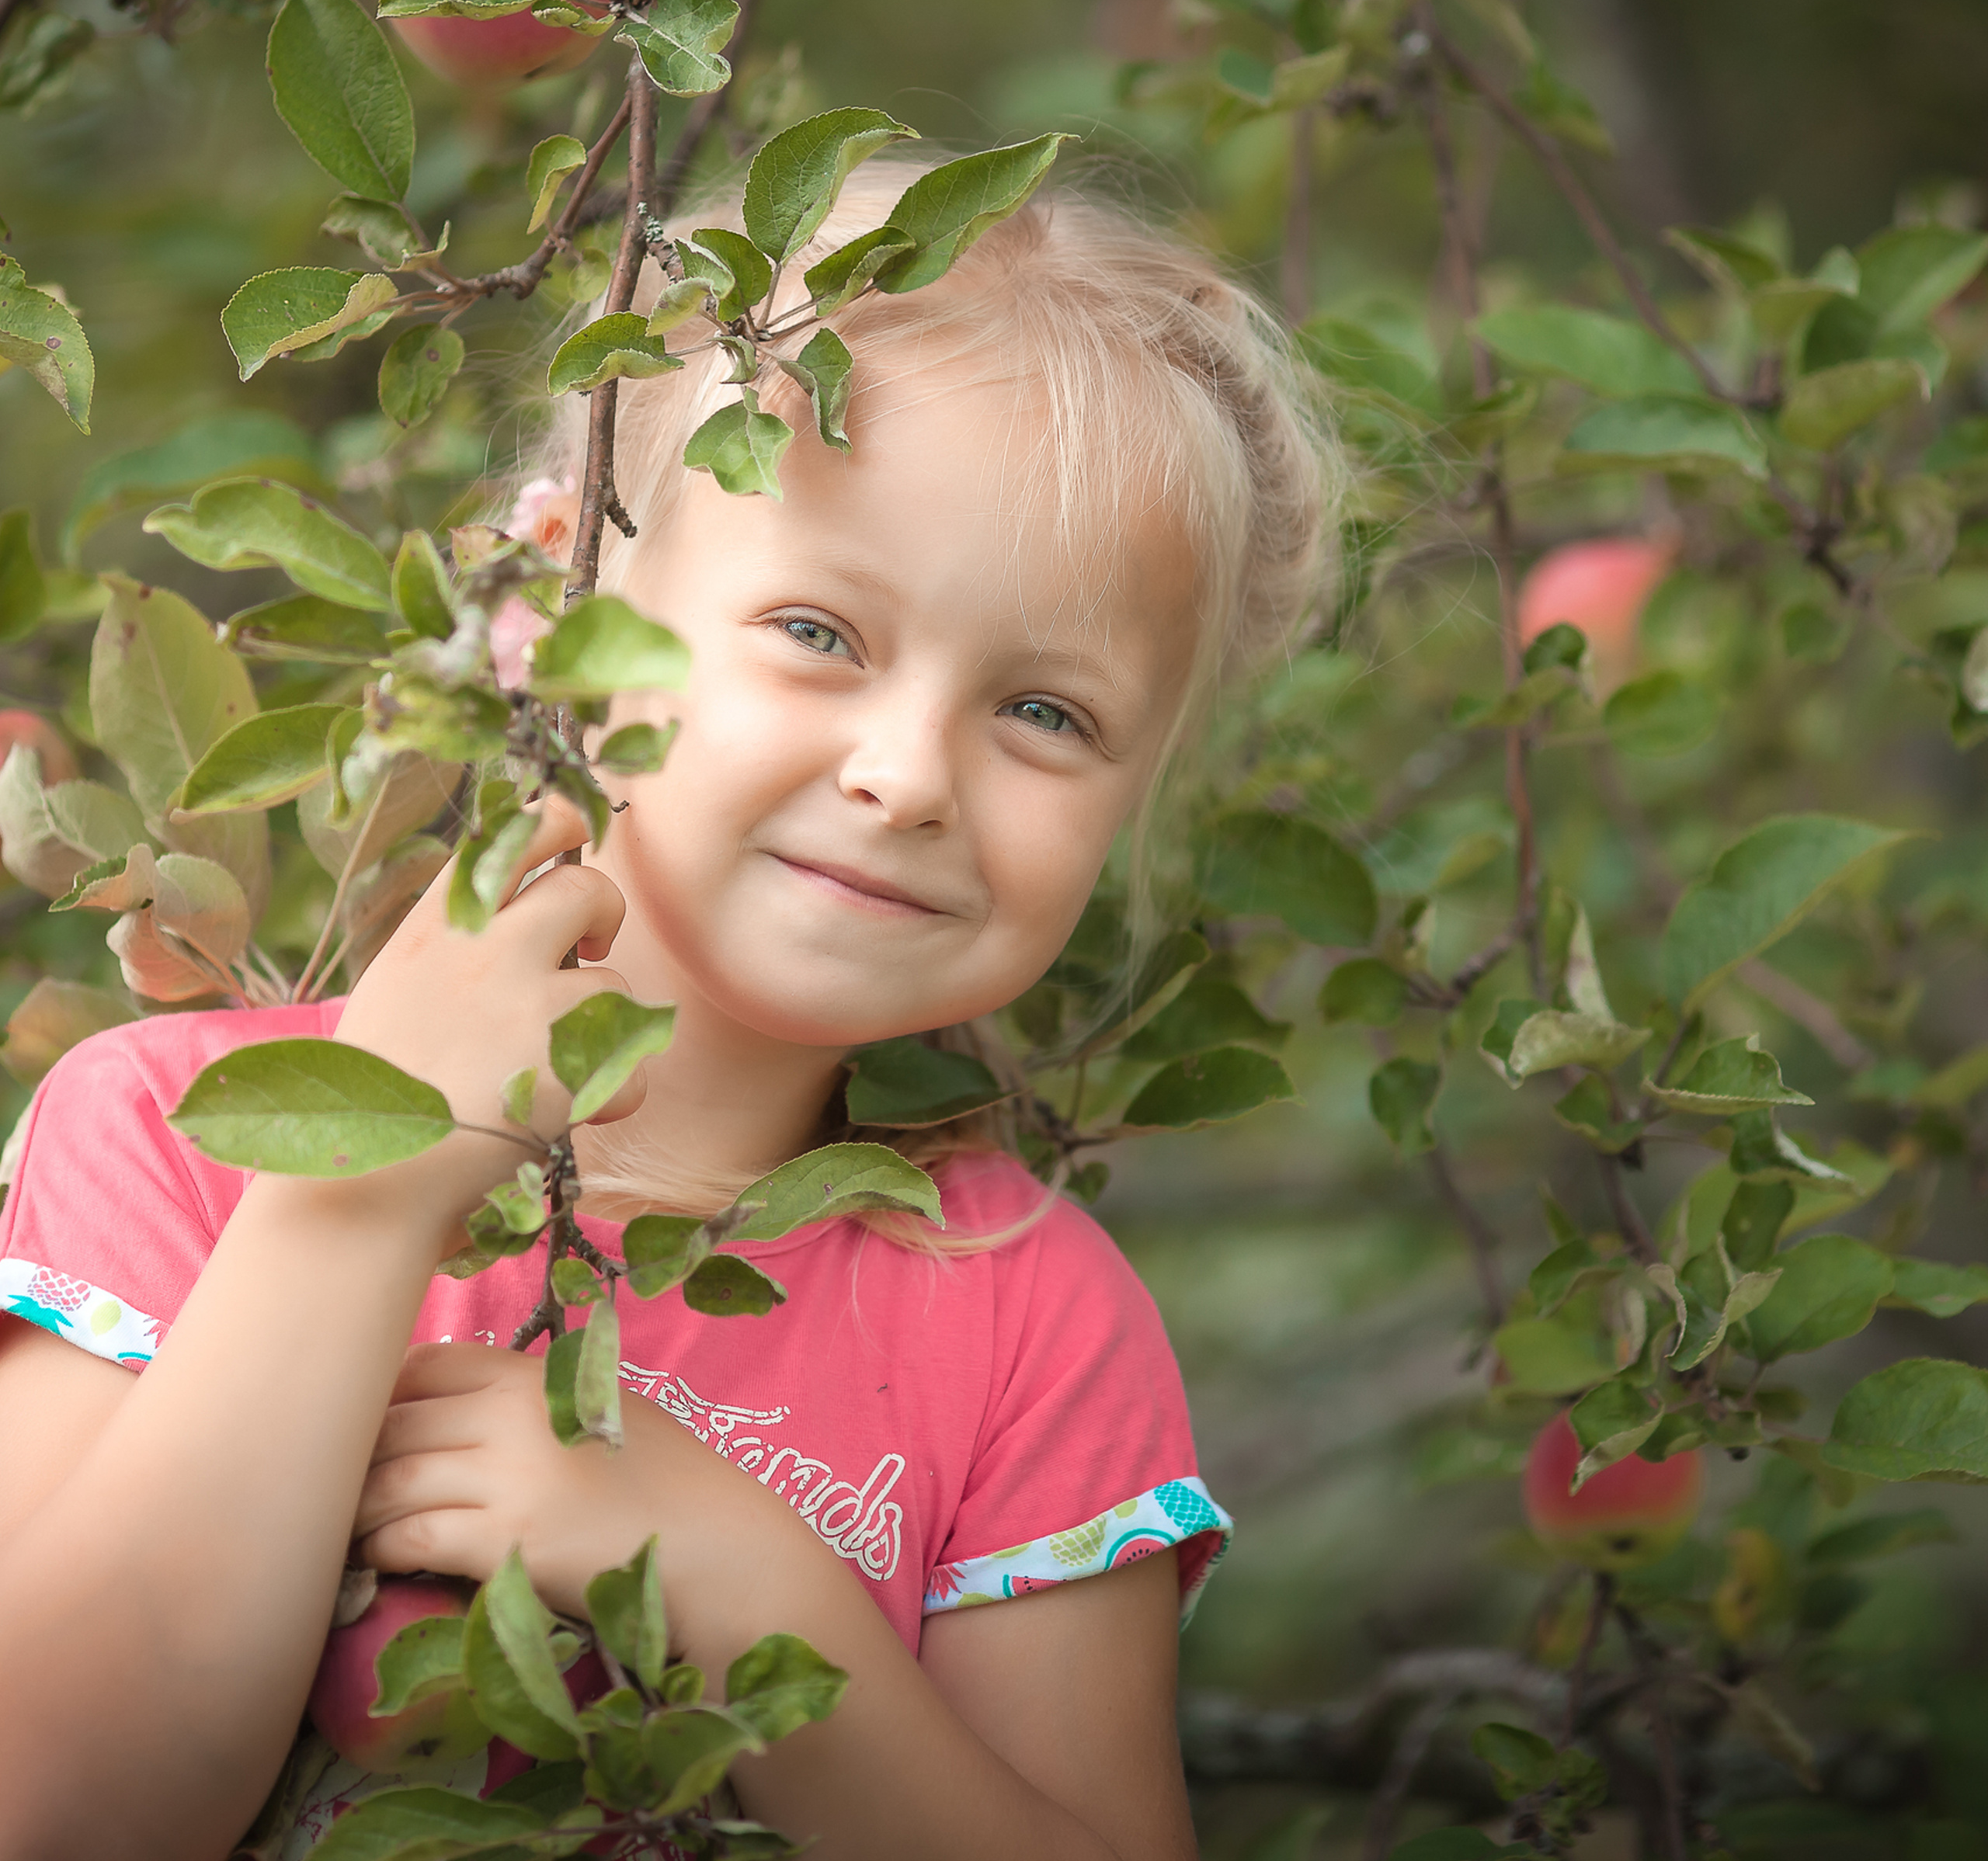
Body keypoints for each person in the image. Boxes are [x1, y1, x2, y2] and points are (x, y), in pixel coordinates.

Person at [0, 159, 1340, 1860]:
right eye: (813, 627)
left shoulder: (1029, 1321)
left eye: (1047, 712)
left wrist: (729, 1571)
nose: (906, 772)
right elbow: (47, 1811)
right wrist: (361, 1190)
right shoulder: (181, 1133)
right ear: (559, 598)